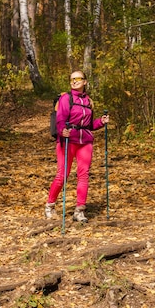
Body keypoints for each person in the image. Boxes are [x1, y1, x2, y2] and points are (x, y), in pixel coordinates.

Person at [45, 71, 110, 222]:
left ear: (85, 81)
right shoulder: (66, 98)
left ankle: (79, 210)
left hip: (85, 141)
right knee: (62, 175)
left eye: (78, 78)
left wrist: (101, 121)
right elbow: (61, 119)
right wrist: (62, 131)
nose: (75, 81)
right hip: (68, 140)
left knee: (83, 175)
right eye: (72, 79)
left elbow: (89, 125)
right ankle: (50, 205)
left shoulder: (89, 101)